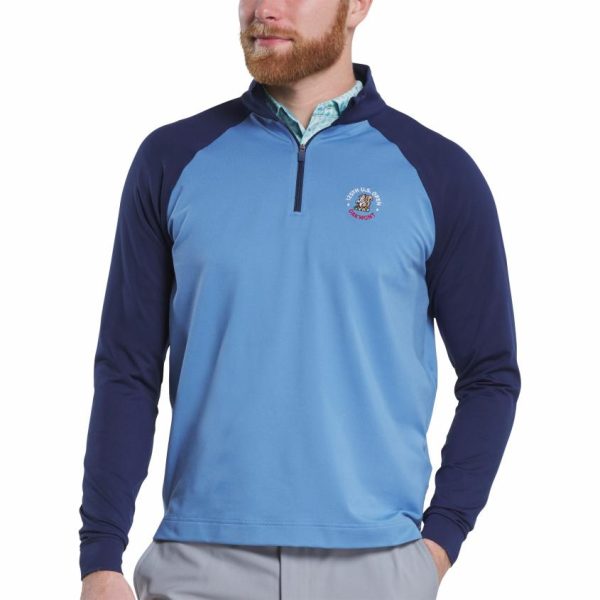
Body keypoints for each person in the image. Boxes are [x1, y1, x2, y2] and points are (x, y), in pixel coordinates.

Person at [78, 0, 521, 598]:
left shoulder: (438, 172)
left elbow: (490, 374)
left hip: (376, 567)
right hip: (198, 562)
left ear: (357, 5)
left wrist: (440, 542)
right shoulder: (172, 158)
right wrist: (101, 556)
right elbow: (128, 369)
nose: (264, 9)